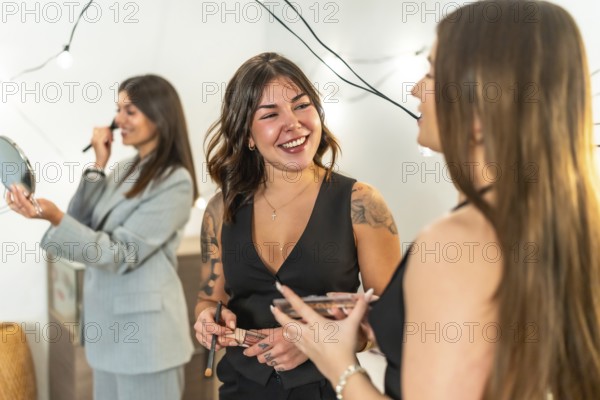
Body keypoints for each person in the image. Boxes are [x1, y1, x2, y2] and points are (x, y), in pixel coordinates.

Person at [270, 1, 600, 399]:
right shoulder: (570, 221)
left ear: (481, 106)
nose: (415, 88)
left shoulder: (453, 241)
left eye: (430, 72)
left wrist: (338, 365)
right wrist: (396, 318)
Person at [193, 52, 401, 399]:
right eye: (271, 114)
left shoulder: (361, 203)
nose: (294, 124)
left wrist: (313, 342)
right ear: (246, 134)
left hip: (329, 389)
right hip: (241, 390)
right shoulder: (221, 209)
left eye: (302, 105)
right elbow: (207, 298)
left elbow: (390, 323)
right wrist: (206, 320)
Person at [7, 74, 199, 400]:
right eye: (118, 110)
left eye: (130, 111)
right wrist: (98, 164)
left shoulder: (175, 181)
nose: (117, 120)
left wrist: (54, 217)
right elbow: (83, 224)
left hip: (146, 342)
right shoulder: (125, 169)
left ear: (159, 115)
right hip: (109, 336)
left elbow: (119, 253)